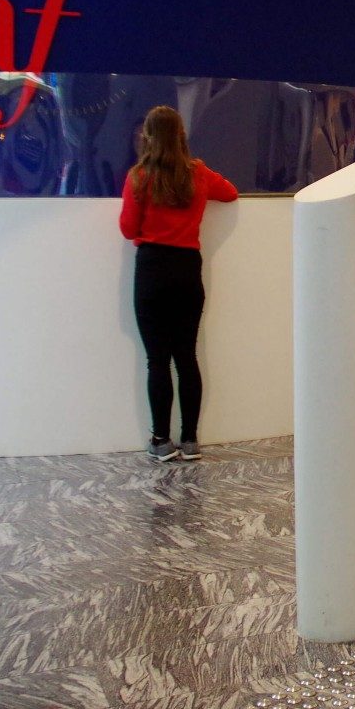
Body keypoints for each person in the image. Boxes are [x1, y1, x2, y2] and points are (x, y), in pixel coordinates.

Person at [119, 105, 238, 461]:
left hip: (153, 268)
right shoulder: (197, 173)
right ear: (182, 135)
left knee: (157, 360)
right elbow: (230, 192)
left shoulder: (139, 176)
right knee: (186, 357)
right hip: (187, 270)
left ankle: (160, 441)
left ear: (148, 136)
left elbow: (127, 229)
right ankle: (189, 440)